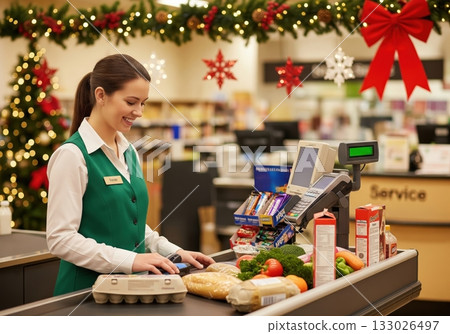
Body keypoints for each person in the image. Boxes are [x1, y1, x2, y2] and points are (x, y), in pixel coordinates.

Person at [46, 54, 215, 296]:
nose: (139, 112)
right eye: (131, 102)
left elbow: (133, 224)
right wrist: (130, 260)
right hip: (84, 296)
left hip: (129, 291)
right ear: (101, 95)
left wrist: (173, 252)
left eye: (143, 103)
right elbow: (61, 239)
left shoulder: (129, 152)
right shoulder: (72, 156)